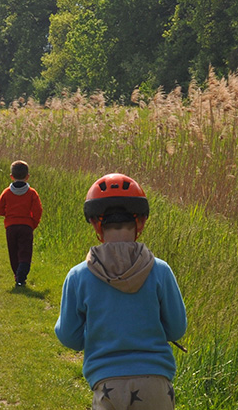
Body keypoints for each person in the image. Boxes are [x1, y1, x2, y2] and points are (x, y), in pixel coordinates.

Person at [55, 173, 187, 410]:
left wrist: (98, 335)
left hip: (108, 384)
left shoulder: (78, 276)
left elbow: (69, 337)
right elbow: (177, 328)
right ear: (140, 223)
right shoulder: (160, 271)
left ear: (96, 224)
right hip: (156, 384)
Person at [0, 160, 42, 287]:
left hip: (11, 227)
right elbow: (38, 211)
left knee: (13, 251)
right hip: (26, 227)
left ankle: (17, 275)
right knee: (25, 251)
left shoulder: (7, 192)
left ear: (11, 176)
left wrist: (9, 215)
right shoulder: (32, 193)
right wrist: (33, 224)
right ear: (27, 176)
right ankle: (22, 275)